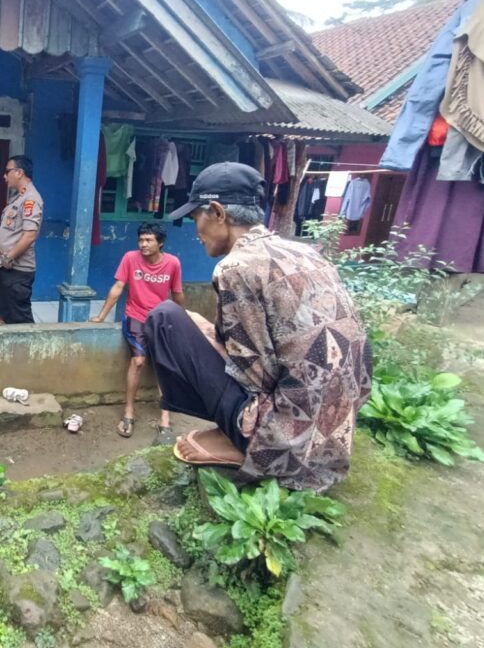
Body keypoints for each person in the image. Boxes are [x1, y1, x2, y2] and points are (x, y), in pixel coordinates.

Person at [147, 162, 371, 492]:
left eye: (197, 218)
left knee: (164, 318)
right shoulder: (304, 251)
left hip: (285, 438)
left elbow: (253, 373)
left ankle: (239, 441)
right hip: (336, 425)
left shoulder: (236, 267)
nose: (196, 231)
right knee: (193, 322)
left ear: (219, 213)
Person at [90, 223, 185, 440]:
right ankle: (128, 412)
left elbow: (177, 294)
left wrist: (183, 318)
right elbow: (117, 288)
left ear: (160, 243)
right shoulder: (130, 258)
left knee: (165, 365)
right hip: (136, 317)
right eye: (141, 240)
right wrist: (102, 316)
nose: (143, 244)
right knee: (139, 362)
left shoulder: (173, 263)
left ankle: (165, 418)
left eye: (149, 240)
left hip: (161, 319)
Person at [0, 155, 43, 323]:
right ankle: (14, 349)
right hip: (8, 269)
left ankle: (29, 349)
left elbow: (29, 236)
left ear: (19, 172)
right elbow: (10, 228)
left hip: (18, 270)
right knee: (8, 315)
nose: (5, 176)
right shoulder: (18, 197)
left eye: (8, 171)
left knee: (20, 321)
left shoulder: (31, 199)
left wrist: (8, 257)